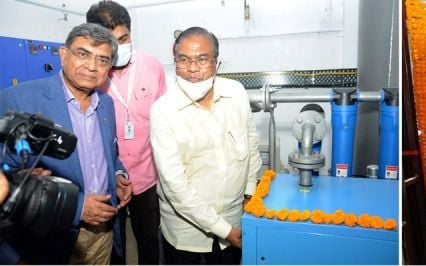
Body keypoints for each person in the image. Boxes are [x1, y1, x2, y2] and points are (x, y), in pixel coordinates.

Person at [0, 23, 131, 264]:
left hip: (103, 231)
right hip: (50, 235)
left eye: (102, 60)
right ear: (63, 54)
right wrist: (78, 206)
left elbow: (109, 153)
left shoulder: (106, 104)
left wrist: (118, 174)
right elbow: (4, 175)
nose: (92, 67)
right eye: (83, 54)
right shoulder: (17, 99)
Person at [150, 26, 261, 264]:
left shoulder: (236, 93)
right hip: (186, 232)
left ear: (217, 63)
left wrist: (250, 193)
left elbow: (251, 144)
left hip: (235, 218)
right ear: (175, 62)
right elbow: (174, 186)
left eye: (202, 59)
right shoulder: (163, 110)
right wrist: (224, 231)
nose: (192, 69)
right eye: (183, 60)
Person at [85, 2, 166, 264]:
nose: (119, 47)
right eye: (111, 42)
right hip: (106, 179)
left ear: (131, 33)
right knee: (113, 242)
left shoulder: (153, 67)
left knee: (149, 239)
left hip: (147, 174)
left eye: (124, 38)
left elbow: (164, 120)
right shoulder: (89, 74)